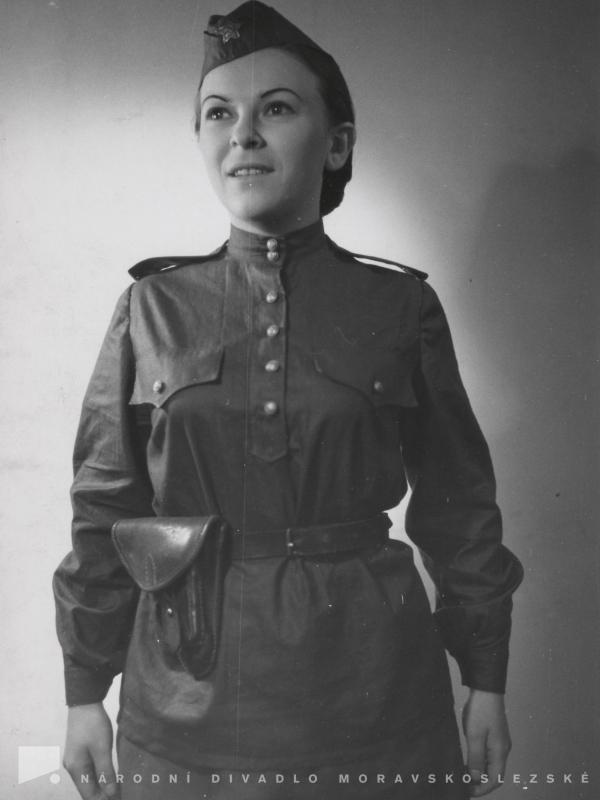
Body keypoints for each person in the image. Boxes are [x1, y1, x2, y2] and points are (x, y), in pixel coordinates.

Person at [53, 2, 524, 798]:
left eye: (275, 109)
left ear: (336, 143)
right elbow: (105, 507)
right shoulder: (152, 308)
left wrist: (486, 676)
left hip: (373, 686)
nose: (243, 134)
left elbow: (460, 503)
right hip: (187, 690)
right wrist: (82, 691)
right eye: (218, 114)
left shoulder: (400, 307)